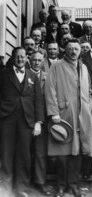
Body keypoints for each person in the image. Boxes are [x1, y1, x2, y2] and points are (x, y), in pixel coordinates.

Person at [45, 39, 92, 197]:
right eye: (70, 48)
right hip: (63, 114)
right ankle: (61, 185)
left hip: (81, 115)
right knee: (62, 151)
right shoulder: (56, 65)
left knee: (77, 151)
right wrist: (54, 112)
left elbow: (87, 91)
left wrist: (88, 107)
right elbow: (50, 89)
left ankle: (73, 184)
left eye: (76, 49)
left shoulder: (83, 67)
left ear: (81, 51)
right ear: (64, 50)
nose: (73, 52)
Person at [0, 47, 44, 197]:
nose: (20, 59)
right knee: (6, 154)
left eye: (22, 57)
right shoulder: (3, 75)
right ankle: (5, 188)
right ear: (13, 58)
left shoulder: (33, 76)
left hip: (27, 120)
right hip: (7, 119)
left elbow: (38, 100)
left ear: (27, 58)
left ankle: (21, 188)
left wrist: (38, 122)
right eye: (17, 57)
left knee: (24, 155)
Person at [29, 51, 51, 196]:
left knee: (40, 152)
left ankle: (39, 181)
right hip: (24, 117)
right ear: (29, 61)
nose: (37, 62)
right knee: (24, 151)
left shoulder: (47, 77)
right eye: (34, 60)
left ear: (43, 61)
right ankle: (25, 180)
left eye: (39, 60)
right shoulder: (24, 75)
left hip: (41, 119)